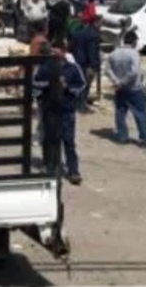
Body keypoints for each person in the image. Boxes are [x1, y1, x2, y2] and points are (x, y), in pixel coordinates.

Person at [33, 41, 86, 185]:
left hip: (67, 111)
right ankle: (48, 167)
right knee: (49, 139)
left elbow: (81, 85)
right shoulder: (44, 68)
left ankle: (73, 171)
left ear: (64, 51)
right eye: (53, 50)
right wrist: (49, 84)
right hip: (50, 111)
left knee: (69, 141)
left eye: (58, 50)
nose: (55, 53)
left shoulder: (73, 68)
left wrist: (67, 87)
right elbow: (35, 84)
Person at [106, 31, 146, 146]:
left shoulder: (113, 53)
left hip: (120, 89)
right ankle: (144, 138)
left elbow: (107, 70)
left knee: (120, 113)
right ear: (134, 42)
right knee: (141, 114)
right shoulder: (134, 53)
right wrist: (123, 82)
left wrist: (116, 81)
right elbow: (134, 71)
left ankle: (122, 136)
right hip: (133, 88)